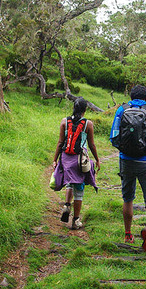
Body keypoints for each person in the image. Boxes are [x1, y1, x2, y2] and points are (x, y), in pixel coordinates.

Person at [110, 85, 146, 251]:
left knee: (128, 197)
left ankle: (128, 234)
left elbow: (113, 137)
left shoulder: (122, 110)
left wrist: (125, 149)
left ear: (131, 96)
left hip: (126, 161)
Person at [52, 97, 101, 230]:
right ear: (85, 109)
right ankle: (75, 220)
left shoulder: (64, 121)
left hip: (66, 158)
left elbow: (60, 142)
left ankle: (67, 205)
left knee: (69, 182)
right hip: (80, 160)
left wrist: (55, 159)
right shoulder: (88, 124)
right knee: (79, 188)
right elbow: (91, 144)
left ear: (74, 107)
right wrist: (97, 159)